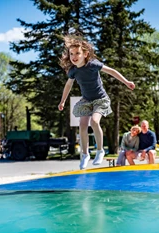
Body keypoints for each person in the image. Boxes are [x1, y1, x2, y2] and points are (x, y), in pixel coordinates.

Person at [58, 35, 135, 169]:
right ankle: (85, 154)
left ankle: (100, 150)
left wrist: (126, 82)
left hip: (100, 99)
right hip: (86, 100)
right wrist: (62, 101)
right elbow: (68, 86)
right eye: (71, 54)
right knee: (82, 125)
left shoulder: (93, 64)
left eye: (77, 53)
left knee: (94, 121)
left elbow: (111, 71)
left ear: (85, 54)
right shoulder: (73, 71)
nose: (74, 57)